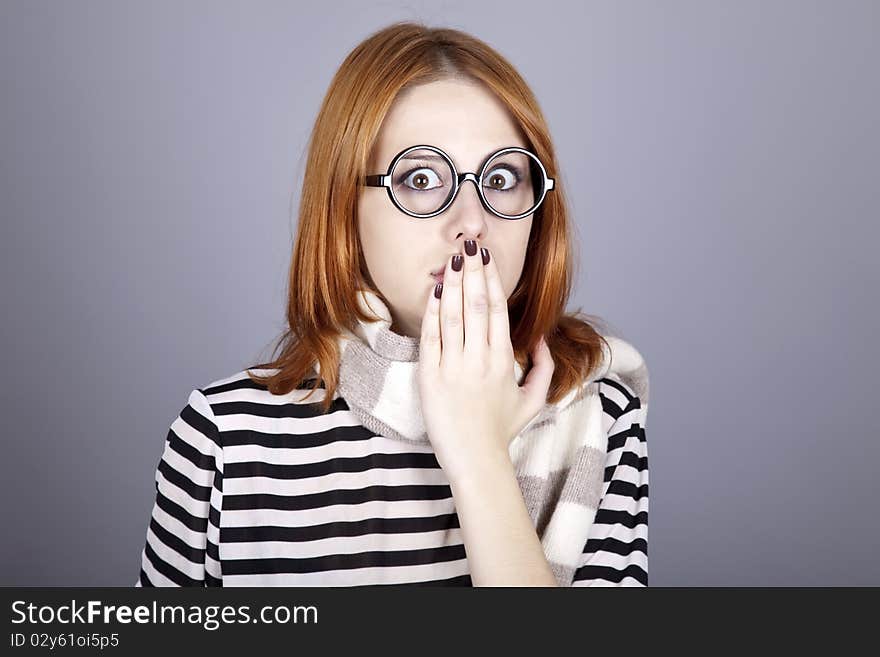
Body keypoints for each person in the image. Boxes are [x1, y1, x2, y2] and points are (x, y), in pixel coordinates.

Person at [135, 21, 650, 587]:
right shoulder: (224, 438)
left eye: (502, 178)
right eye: (422, 178)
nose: (471, 221)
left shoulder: (600, 418)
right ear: (344, 205)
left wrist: (479, 453)